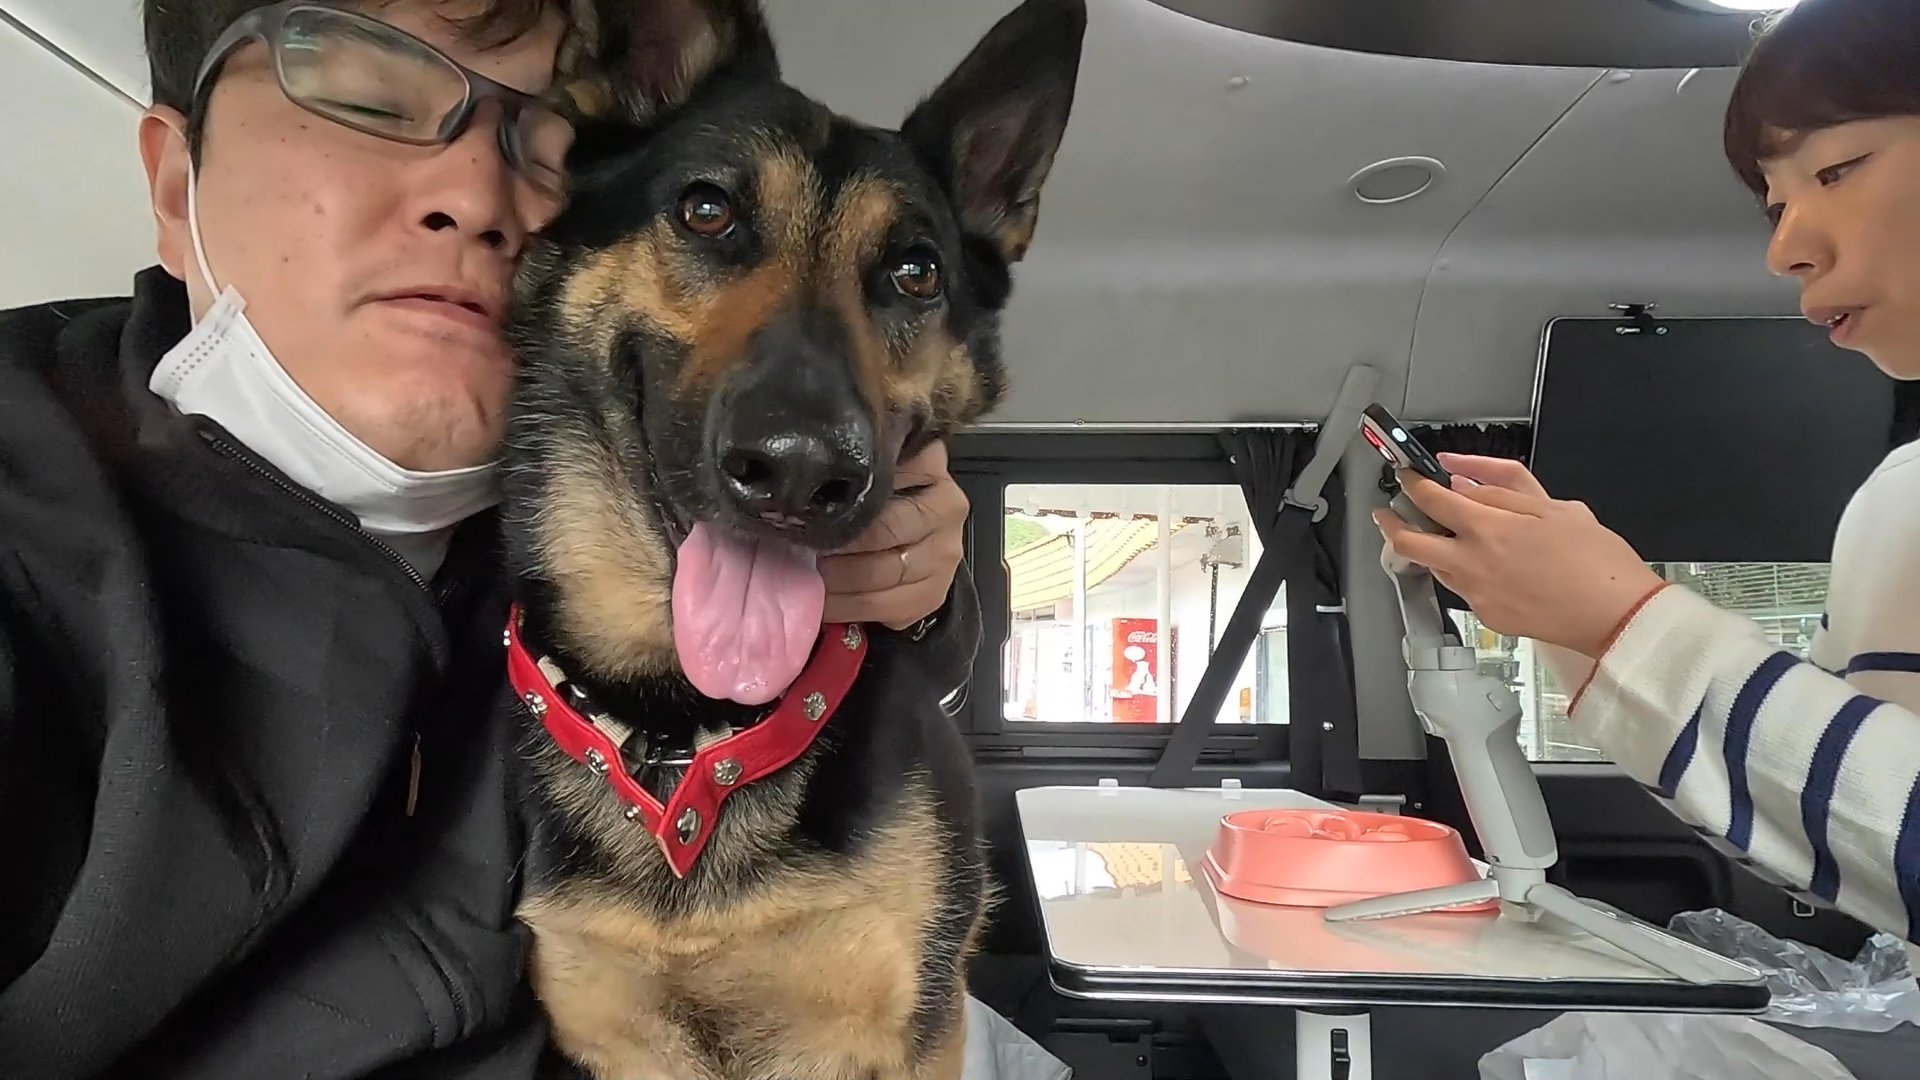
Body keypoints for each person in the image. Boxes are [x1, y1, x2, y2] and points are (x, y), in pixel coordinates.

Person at [0, 1, 980, 1076]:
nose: (475, 198)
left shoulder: (584, 541)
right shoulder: (34, 537)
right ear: (175, 185)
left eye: (542, 137)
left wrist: (920, 593)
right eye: (371, 101)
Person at [1376, 0, 1920, 945]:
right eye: (1776, 203)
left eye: (1837, 169)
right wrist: (1568, 617)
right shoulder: (1895, 500)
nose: (1784, 249)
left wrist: (1619, 620)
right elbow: (1835, 840)